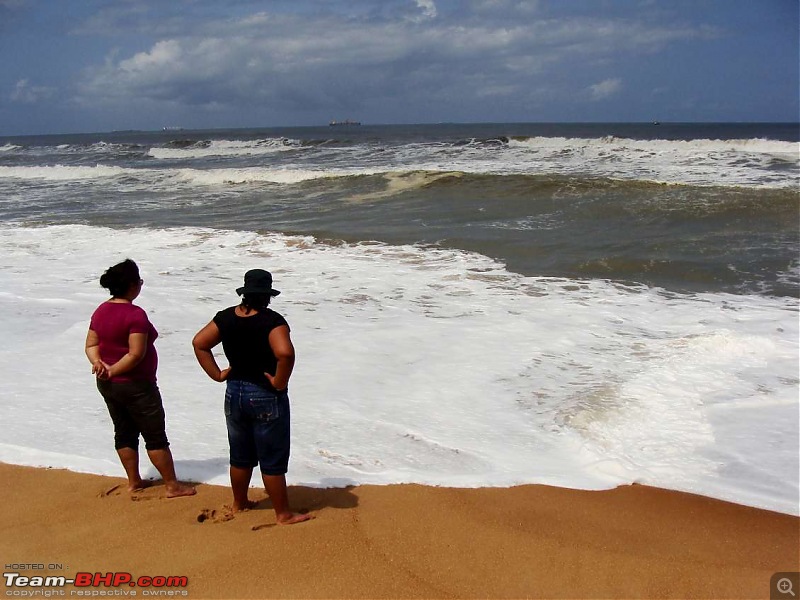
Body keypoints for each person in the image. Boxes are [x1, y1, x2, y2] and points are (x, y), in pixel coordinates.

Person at [192, 269, 312, 525]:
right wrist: (280, 381)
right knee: (272, 457)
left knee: (240, 454)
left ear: (245, 292)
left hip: (234, 392)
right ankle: (282, 513)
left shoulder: (225, 318)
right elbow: (285, 354)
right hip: (265, 394)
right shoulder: (272, 321)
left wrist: (217, 374)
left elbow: (199, 343)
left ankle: (239, 502)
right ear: (267, 295)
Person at [85, 259, 195, 498]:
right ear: (133, 285)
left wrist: (98, 363)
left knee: (123, 431)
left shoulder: (101, 310)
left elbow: (91, 344)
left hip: (107, 384)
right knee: (155, 436)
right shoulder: (135, 315)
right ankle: (171, 486)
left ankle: (134, 481)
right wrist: (114, 369)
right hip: (136, 384)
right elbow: (136, 355)